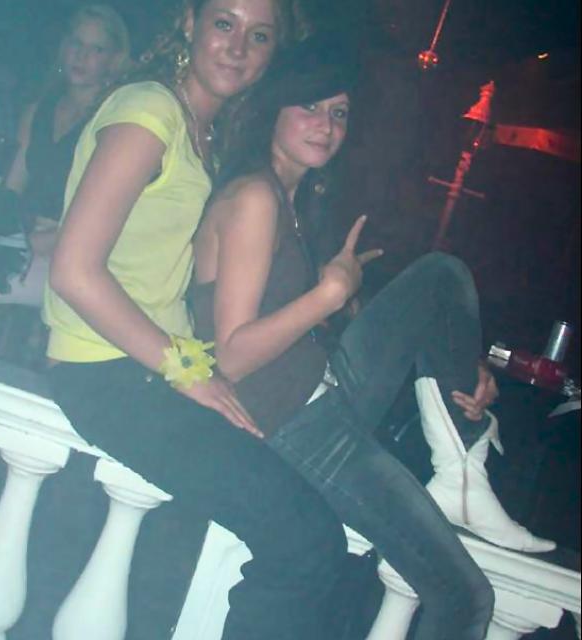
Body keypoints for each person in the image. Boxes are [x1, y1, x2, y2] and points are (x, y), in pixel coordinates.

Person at [192, 33, 556, 639]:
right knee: (464, 598)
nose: (326, 125)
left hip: (320, 391)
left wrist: (457, 361)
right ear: (275, 106)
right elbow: (230, 357)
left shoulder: (289, 199)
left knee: (439, 278)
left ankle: (462, 464)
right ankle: (462, 472)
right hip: (294, 425)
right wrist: (327, 295)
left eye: (339, 113)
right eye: (311, 106)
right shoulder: (255, 196)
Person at [43, 3, 348, 639]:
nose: (238, 47)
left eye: (259, 35)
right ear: (189, 22)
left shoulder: (205, 134)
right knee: (307, 542)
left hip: (144, 370)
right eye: (224, 24)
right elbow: (73, 270)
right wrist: (186, 368)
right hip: (107, 373)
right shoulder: (149, 112)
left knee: (301, 534)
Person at [0, 4, 131, 348]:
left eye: (96, 49)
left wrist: (27, 243)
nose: (81, 56)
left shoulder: (115, 124)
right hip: (24, 241)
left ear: (114, 60)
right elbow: (11, 193)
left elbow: (103, 223)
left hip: (75, 260)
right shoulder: (40, 109)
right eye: (76, 43)